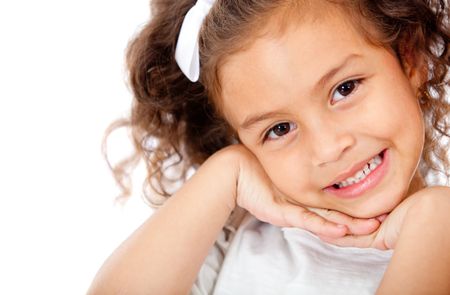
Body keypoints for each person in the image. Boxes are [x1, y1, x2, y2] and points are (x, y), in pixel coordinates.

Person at [88, 0, 450, 294]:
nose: (328, 148)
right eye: (279, 129)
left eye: (345, 89)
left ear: (409, 59)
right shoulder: (231, 239)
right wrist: (227, 170)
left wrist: (436, 218)